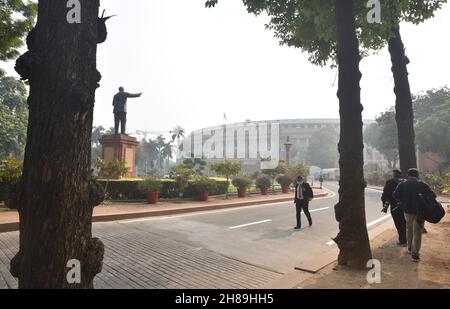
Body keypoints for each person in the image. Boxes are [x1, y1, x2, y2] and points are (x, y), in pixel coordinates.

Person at [394, 168, 436, 262]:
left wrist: (402, 202)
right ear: (417, 175)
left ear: (408, 175)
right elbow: (433, 196)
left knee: (409, 228)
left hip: (407, 211)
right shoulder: (422, 184)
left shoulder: (402, 184)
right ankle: (415, 254)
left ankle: (409, 248)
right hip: (420, 212)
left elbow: (395, 195)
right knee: (417, 232)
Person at [381, 169, 406, 246]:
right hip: (405, 206)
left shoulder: (389, 182)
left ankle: (402, 240)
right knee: (405, 223)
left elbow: (385, 194)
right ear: (400, 174)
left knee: (398, 223)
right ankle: (407, 239)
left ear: (394, 174)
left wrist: (384, 204)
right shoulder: (405, 181)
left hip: (395, 206)